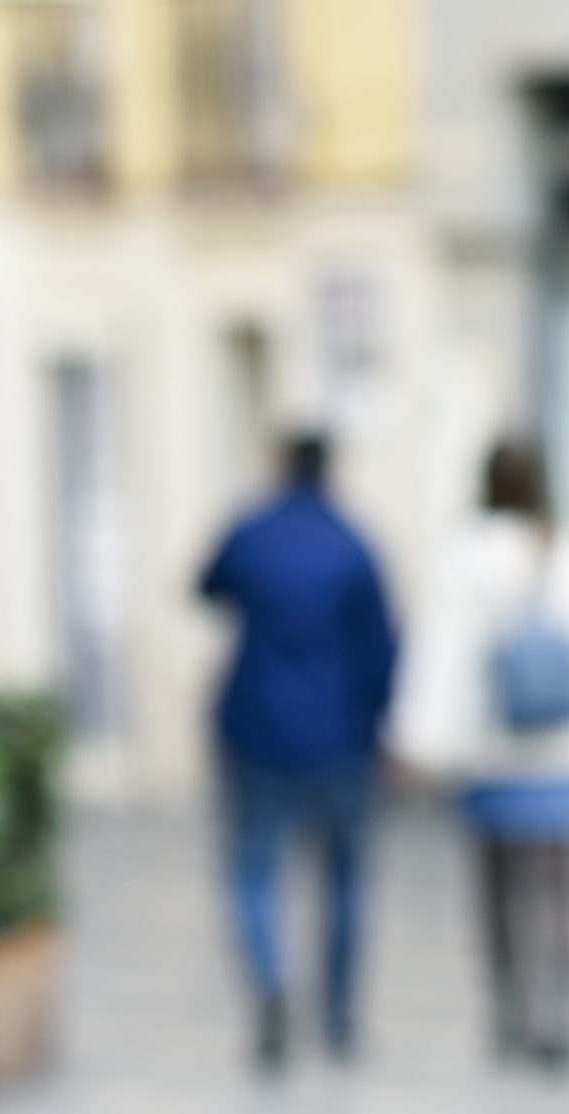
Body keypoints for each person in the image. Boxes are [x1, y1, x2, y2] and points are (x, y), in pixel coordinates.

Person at [390, 439, 569, 1068]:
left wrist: (416, 743)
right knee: (562, 887)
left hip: (491, 756)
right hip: (568, 754)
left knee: (497, 888)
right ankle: (559, 1010)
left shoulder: (462, 554)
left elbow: (439, 655)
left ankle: (508, 1008)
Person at [198, 432, 398, 1070]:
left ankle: (270, 985)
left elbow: (204, 587)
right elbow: (385, 647)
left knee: (254, 870)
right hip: (340, 737)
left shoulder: (252, 532)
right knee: (342, 878)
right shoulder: (352, 544)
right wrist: (378, 725)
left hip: (256, 731)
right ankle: (337, 1017)